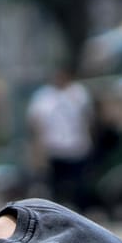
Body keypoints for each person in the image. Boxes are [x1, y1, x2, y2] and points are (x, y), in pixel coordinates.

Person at [26, 66, 95, 211]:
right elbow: (36, 125)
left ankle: (80, 211)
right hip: (54, 148)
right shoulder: (43, 96)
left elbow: (88, 119)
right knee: (55, 185)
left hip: (77, 146)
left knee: (78, 184)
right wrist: (37, 151)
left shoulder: (79, 93)